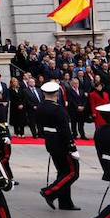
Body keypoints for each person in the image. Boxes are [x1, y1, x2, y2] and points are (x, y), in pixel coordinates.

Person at [35, 82, 79, 211]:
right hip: (61, 143)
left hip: (50, 142)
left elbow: (39, 127)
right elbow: (65, 130)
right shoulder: (58, 108)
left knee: (62, 172)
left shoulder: (40, 107)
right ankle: (49, 192)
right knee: (72, 172)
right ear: (57, 93)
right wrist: (72, 147)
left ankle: (65, 202)